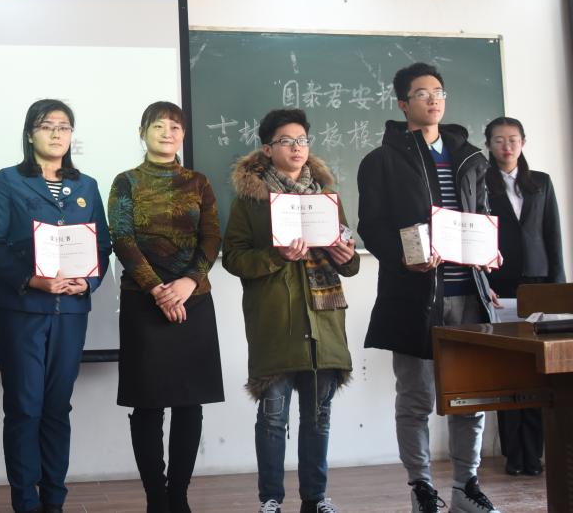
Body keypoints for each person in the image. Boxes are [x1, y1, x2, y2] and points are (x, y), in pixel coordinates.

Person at [357, 62, 502, 513]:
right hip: (415, 296)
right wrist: (405, 257)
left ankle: (466, 488)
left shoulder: (471, 157)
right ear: (403, 104)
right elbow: (372, 227)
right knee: (416, 398)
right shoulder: (381, 160)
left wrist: (489, 256)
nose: (433, 99)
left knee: (470, 397)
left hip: (468, 296)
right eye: (422, 93)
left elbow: (481, 216)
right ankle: (421, 488)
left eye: (438, 91)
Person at [0, 99, 112, 513]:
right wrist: (31, 279)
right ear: (30, 133)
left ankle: (54, 501)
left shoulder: (86, 186)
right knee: (24, 408)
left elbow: (102, 247)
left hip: (70, 313)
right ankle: (25, 502)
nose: (56, 133)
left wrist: (87, 281)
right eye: (46, 125)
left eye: (64, 126)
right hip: (22, 312)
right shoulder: (8, 181)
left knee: (57, 409)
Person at [222, 108, 358, 513]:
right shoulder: (250, 201)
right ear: (267, 149)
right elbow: (234, 258)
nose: (297, 148)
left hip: (324, 320)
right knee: (272, 418)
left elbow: (348, 260)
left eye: (302, 140)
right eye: (286, 141)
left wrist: (346, 256)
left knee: (319, 418)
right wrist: (276, 255)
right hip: (275, 321)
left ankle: (315, 498)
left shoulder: (326, 197)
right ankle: (271, 499)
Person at [108, 101, 223, 513]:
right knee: (148, 404)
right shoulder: (126, 181)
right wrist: (158, 290)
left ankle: (179, 495)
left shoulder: (199, 182)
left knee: (189, 403)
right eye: (158, 126)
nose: (167, 132)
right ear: (142, 133)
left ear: (183, 134)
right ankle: (156, 498)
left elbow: (212, 237)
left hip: (195, 300)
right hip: (144, 303)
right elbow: (121, 238)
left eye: (175, 126)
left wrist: (188, 282)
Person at [485, 116, 564, 477]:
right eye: (499, 140)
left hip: (538, 285)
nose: (507, 146)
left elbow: (552, 235)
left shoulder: (541, 183)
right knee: (507, 372)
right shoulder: (482, 183)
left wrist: (557, 291)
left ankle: (534, 455)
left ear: (523, 142)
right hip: (499, 287)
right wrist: (480, 281)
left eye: (513, 139)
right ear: (489, 145)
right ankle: (513, 457)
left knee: (536, 372)